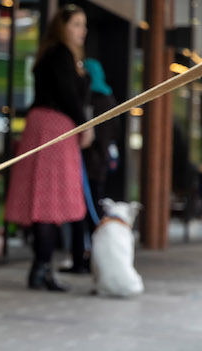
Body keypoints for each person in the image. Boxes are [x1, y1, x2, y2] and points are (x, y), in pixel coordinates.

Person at [5, 4, 93, 291]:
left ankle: (41, 268)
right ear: (63, 26)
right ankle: (41, 269)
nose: (83, 30)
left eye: (84, 24)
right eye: (77, 24)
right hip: (55, 129)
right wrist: (85, 124)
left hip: (44, 127)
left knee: (45, 201)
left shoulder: (53, 54)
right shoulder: (61, 54)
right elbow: (69, 96)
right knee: (48, 202)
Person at [62, 57, 120, 274]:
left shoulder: (92, 100)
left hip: (88, 165)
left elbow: (89, 137)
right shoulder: (109, 98)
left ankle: (84, 260)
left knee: (86, 214)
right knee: (89, 212)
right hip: (99, 164)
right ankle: (89, 259)